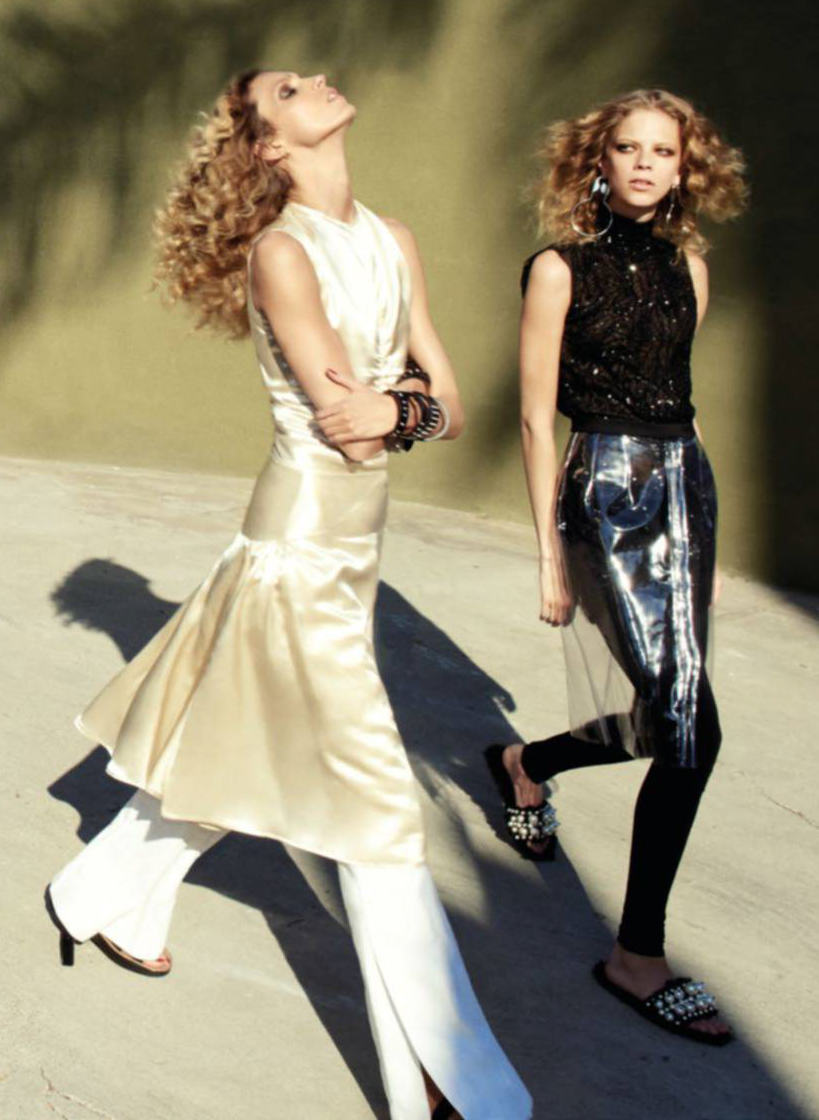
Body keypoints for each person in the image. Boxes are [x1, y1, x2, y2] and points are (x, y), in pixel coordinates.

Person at [44, 70, 530, 1120]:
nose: (319, 83)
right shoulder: (281, 253)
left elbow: (446, 402)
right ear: (269, 145)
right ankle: (451, 1086)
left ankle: (98, 896)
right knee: (379, 811)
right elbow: (353, 426)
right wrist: (405, 406)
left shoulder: (394, 239)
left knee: (242, 746)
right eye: (291, 89)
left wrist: (404, 407)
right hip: (299, 544)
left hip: (356, 545)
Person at [479, 88, 748, 1048]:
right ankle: (637, 956)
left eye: (662, 152)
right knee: (691, 727)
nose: (644, 164)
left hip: (683, 485)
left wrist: (704, 539)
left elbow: (681, 398)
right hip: (605, 490)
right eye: (627, 147)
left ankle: (525, 763)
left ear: (685, 168)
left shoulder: (690, 268)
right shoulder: (559, 269)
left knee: (663, 717)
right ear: (597, 160)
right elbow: (533, 417)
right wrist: (549, 555)